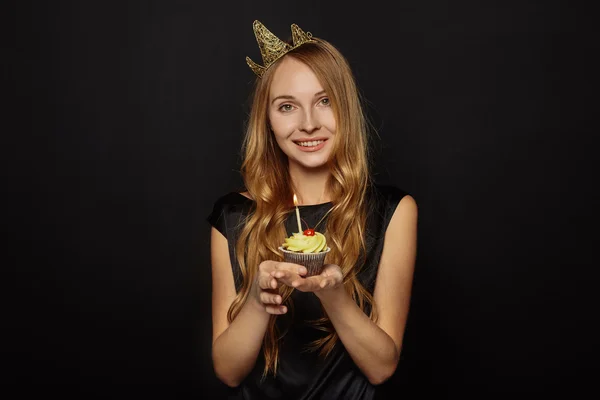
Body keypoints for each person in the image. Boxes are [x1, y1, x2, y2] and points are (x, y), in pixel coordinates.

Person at [207, 20, 418, 399]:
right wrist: (257, 302)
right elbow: (228, 372)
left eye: (325, 102)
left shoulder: (392, 211)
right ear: (268, 122)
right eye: (287, 107)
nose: (308, 124)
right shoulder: (234, 216)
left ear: (346, 109)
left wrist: (333, 294)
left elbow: (382, 367)